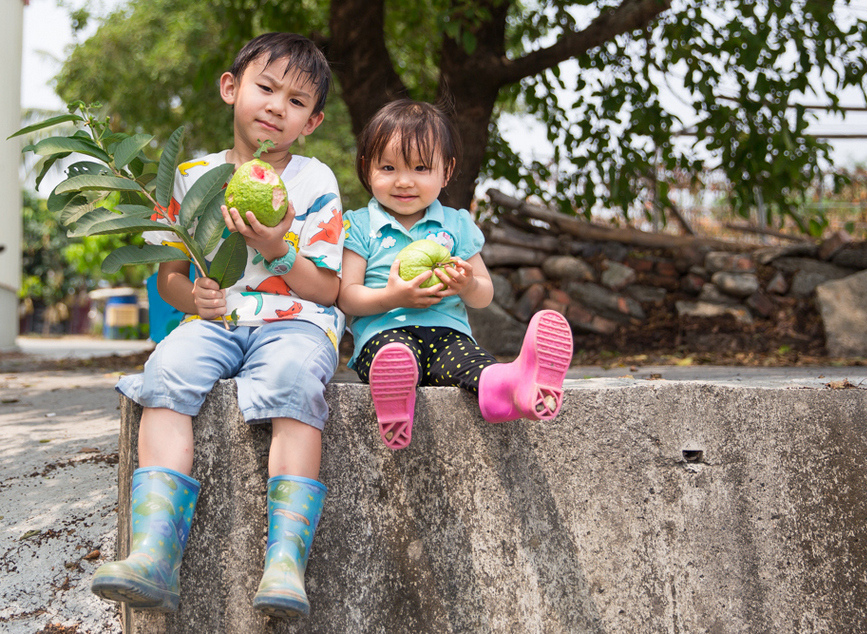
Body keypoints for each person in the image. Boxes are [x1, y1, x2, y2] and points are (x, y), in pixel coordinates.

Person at [90, 32, 345, 620]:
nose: (278, 107)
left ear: (312, 122)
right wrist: (196, 296)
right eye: (265, 87)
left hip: (293, 321)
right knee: (167, 372)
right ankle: (154, 554)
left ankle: (285, 561)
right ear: (231, 88)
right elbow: (169, 281)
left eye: (298, 101)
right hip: (217, 320)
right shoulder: (190, 177)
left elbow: (327, 289)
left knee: (294, 380)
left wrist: (278, 249)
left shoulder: (314, 181)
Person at [338, 98, 574, 451]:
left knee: (476, 367)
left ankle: (516, 388)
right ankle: (395, 405)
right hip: (384, 335)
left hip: (449, 335)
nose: (404, 181)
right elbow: (347, 296)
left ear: (446, 172)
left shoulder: (456, 223)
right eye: (388, 168)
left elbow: (484, 295)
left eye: (420, 168)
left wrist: (466, 284)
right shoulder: (359, 224)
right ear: (366, 168)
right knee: (395, 357)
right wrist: (393, 298)